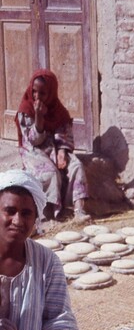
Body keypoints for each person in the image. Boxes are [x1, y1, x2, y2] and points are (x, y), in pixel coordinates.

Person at [0, 170, 111, 330]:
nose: (17, 220)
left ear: (36, 218)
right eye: (9, 211)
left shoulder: (46, 262)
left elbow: (60, 328)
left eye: (26, 213)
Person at [15, 69, 90, 221]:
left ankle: (78, 210)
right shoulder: (26, 110)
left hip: (53, 148)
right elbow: (33, 140)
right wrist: (39, 117)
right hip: (33, 149)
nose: (37, 96)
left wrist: (62, 150)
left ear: (51, 93)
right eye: (34, 91)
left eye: (42, 93)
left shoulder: (58, 110)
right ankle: (48, 215)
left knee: (76, 165)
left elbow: (64, 133)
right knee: (50, 173)